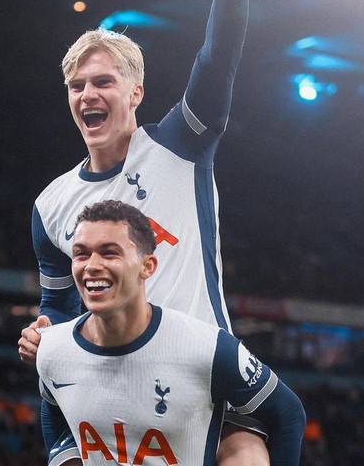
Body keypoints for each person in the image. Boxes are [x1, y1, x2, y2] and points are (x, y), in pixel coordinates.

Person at [19, 0, 275, 463]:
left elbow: (220, 52)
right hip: (113, 390)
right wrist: (44, 329)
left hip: (205, 375)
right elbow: (57, 304)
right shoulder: (51, 205)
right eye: (77, 86)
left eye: (103, 82)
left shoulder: (181, 145)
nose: (88, 95)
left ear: (135, 93)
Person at [36, 200, 306, 466]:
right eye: (81, 253)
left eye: (109, 253)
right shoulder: (53, 351)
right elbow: (54, 412)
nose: (92, 265)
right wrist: (65, 457)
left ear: (147, 266)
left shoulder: (208, 349)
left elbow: (287, 413)